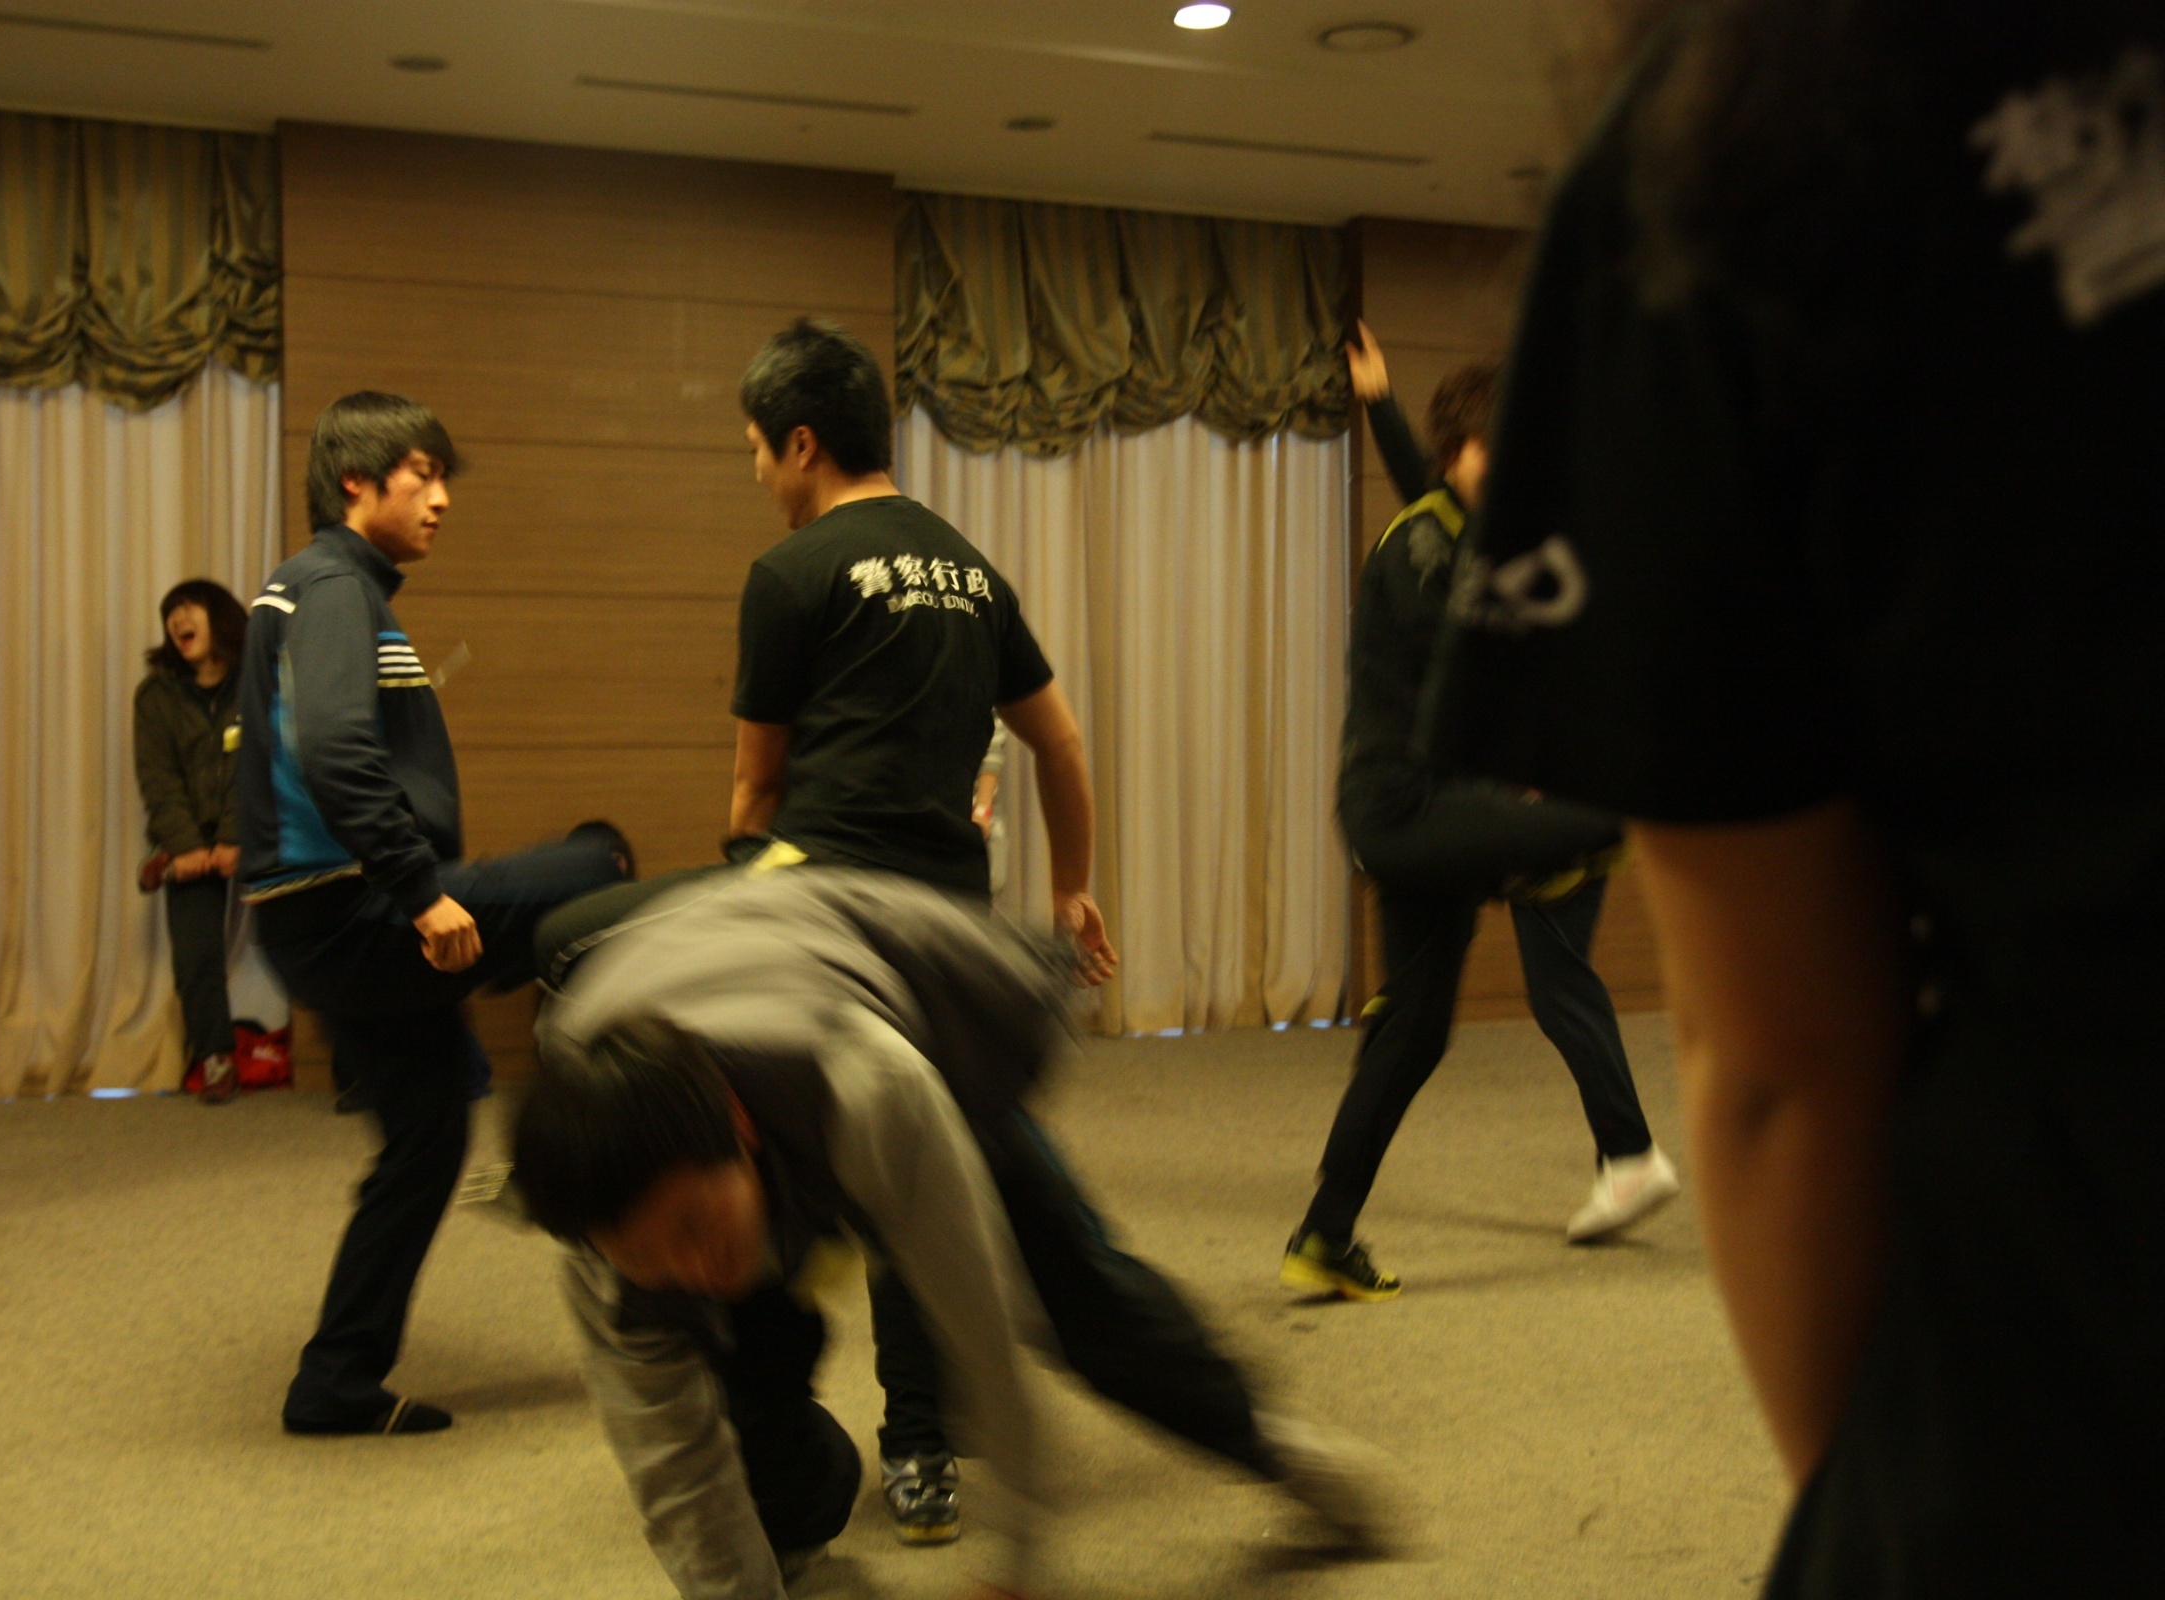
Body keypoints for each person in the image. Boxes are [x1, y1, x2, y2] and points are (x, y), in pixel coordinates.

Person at [1426, 2, 2164, 1592]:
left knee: (1518, 993)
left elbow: (1777, 1059)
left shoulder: (1746, 131)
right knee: (1463, 1009)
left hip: (2075, 1397)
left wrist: (1878, 1511)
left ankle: (1616, 1151)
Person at [514, 867, 1405, 1600]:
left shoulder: (873, 1089)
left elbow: (986, 1333)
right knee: (739, 1382)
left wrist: (1019, 1565)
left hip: (880, 1007)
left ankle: (1282, 1452)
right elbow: (669, 1458)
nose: (691, 1267)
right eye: (651, 1258)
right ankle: (796, 1540)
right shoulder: (602, 1231)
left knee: (1083, 1298)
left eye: (695, 1227)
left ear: (740, 1127)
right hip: (686, 994)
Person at [726, 316, 1118, 1543]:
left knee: (799, 1168)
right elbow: (1060, 743)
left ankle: (777, 1439)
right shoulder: (971, 569)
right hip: (945, 929)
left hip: (829, 920)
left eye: (756, 450)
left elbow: (755, 791)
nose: (758, 473)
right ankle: (922, 1446)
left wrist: (739, 913)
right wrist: (1071, 889)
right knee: (922, 1171)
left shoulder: (789, 575)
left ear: (801, 443)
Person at [239, 390, 628, 1435]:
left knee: (424, 1144)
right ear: (356, 482)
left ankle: (335, 1381)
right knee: (601, 864)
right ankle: (572, 1142)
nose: (443, 498)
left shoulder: (318, 588)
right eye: (424, 475)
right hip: (353, 910)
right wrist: (419, 890)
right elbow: (334, 749)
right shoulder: (332, 585)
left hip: (313, 920)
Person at [1282, 335, 1679, 1304]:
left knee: (1414, 1034)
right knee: (1619, 810)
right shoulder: (1421, 550)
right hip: (1406, 811)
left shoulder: (1467, 526)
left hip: (1439, 827)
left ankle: (1325, 1234)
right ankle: (1531, 866)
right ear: (1460, 449)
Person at [135, 578, 248, 1105]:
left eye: (189, 608)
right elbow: (157, 780)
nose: (178, 619)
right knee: (196, 955)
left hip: (257, 828)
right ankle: (216, 1058)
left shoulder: (258, 681)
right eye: (171, 613)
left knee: (308, 938)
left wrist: (234, 837)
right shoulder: (156, 695)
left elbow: (259, 763)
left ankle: (352, 1064)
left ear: (219, 617)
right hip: (188, 840)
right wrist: (186, 848)